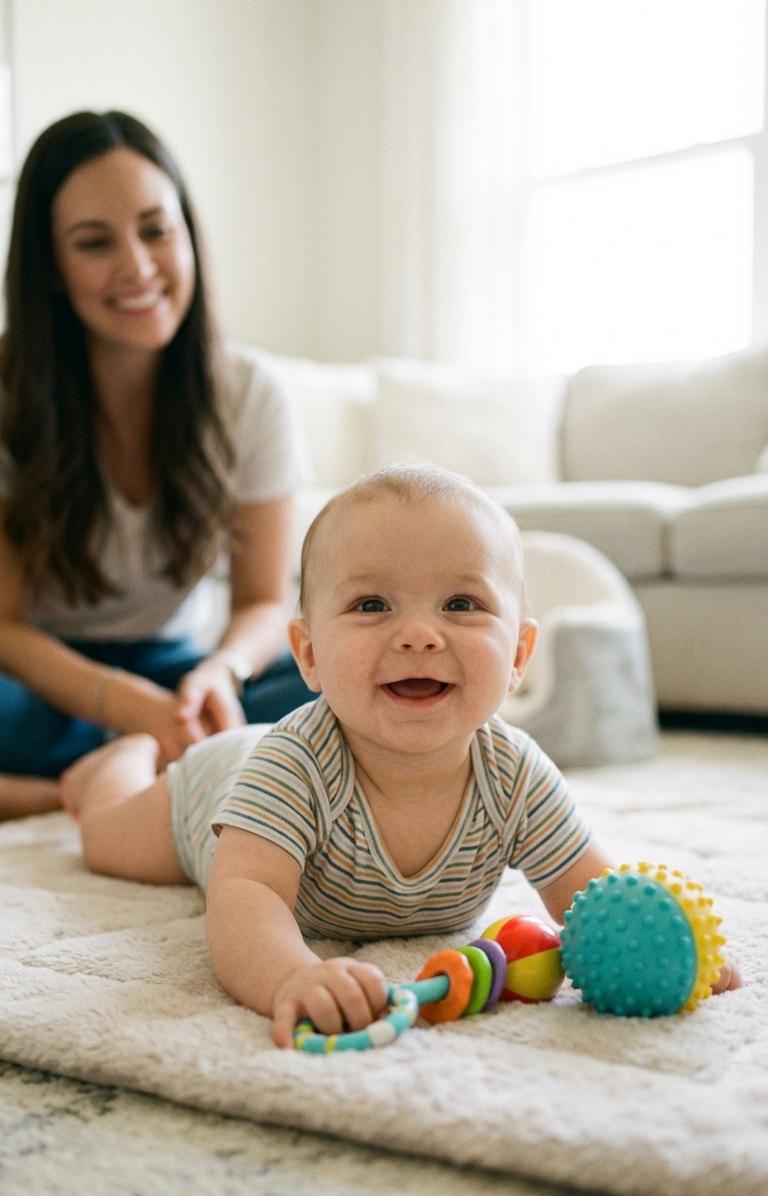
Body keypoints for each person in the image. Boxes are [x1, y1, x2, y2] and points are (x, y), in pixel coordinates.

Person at [60, 465, 741, 1045]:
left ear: (519, 657)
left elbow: (590, 895)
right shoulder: (293, 766)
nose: (418, 634)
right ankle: (124, 758)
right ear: (309, 655)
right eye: (372, 604)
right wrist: (293, 975)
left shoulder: (518, 773)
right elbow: (245, 898)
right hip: (218, 784)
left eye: (462, 603)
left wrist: (667, 947)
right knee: (103, 838)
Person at [0, 109, 312, 822]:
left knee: (346, 674)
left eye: (155, 230)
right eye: (93, 243)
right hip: (43, 681)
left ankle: (121, 763)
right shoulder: (6, 394)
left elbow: (265, 602)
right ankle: (109, 769)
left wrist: (218, 674)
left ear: (188, 235)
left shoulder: (250, 392)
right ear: (49, 266)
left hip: (183, 672)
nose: (137, 267)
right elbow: (7, 627)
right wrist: (127, 705)